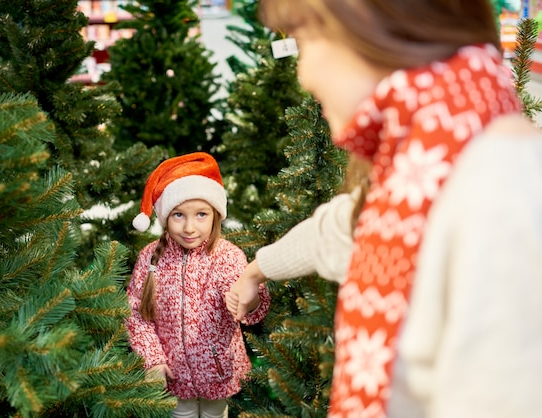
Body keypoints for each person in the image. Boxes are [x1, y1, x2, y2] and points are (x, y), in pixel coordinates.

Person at [226, 1, 542, 417]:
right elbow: (334, 231)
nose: (304, 75)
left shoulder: (500, 195)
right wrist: (254, 271)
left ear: (375, 21)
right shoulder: (425, 173)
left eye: (306, 39)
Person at [126, 152, 270, 418]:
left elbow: (249, 303)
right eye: (179, 215)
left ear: (215, 214)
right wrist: (152, 358)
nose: (190, 227)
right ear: (165, 217)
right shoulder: (149, 257)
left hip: (218, 368)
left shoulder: (227, 256)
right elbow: (136, 313)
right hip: (172, 372)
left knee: (216, 413)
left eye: (201, 214)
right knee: (181, 414)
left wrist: (249, 300)